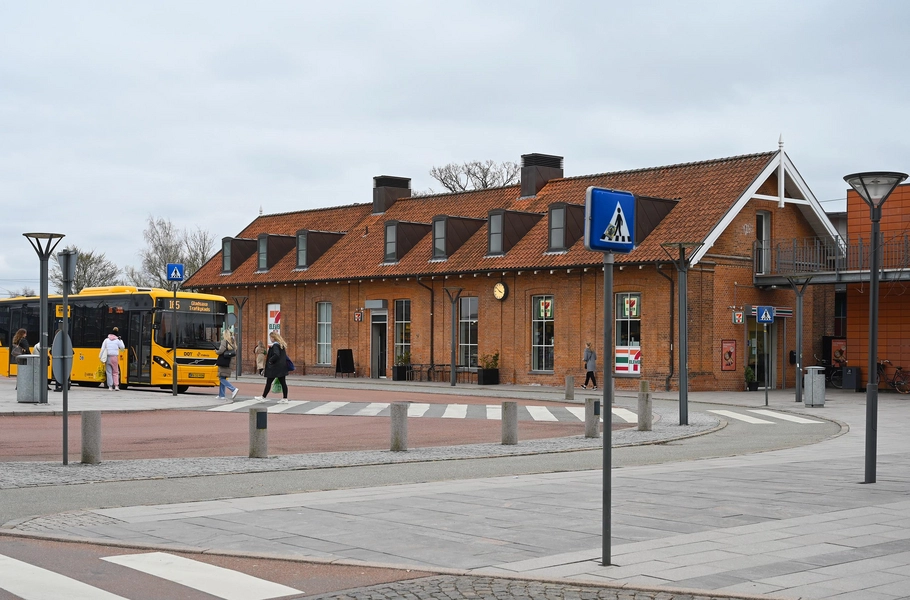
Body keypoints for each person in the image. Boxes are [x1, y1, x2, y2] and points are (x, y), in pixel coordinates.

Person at [255, 331, 288, 403]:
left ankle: (263, 397)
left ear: (273, 338)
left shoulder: (275, 345)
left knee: (269, 382)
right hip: (281, 367)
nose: (270, 339)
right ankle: (285, 398)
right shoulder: (281, 345)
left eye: (270, 337)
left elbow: (276, 355)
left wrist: (270, 360)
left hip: (274, 367)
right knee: (283, 383)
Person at [216, 330, 239, 400]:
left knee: (221, 378)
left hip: (223, 362)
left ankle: (233, 389)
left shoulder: (224, 342)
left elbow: (220, 351)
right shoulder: (232, 343)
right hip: (229, 363)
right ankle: (221, 395)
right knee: (223, 377)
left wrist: (216, 351)